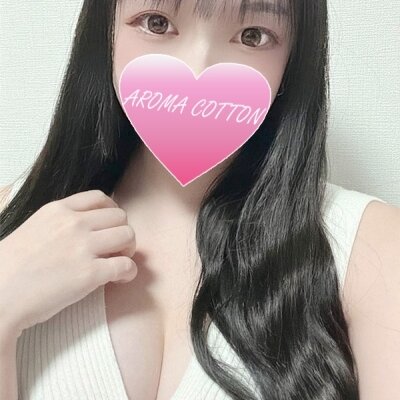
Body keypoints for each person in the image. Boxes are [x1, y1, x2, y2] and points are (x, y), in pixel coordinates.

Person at [0, 0, 399, 399]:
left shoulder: (371, 246)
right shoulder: (14, 228)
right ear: (106, 29)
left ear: (295, 56)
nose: (198, 66)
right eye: (157, 23)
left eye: (252, 36)